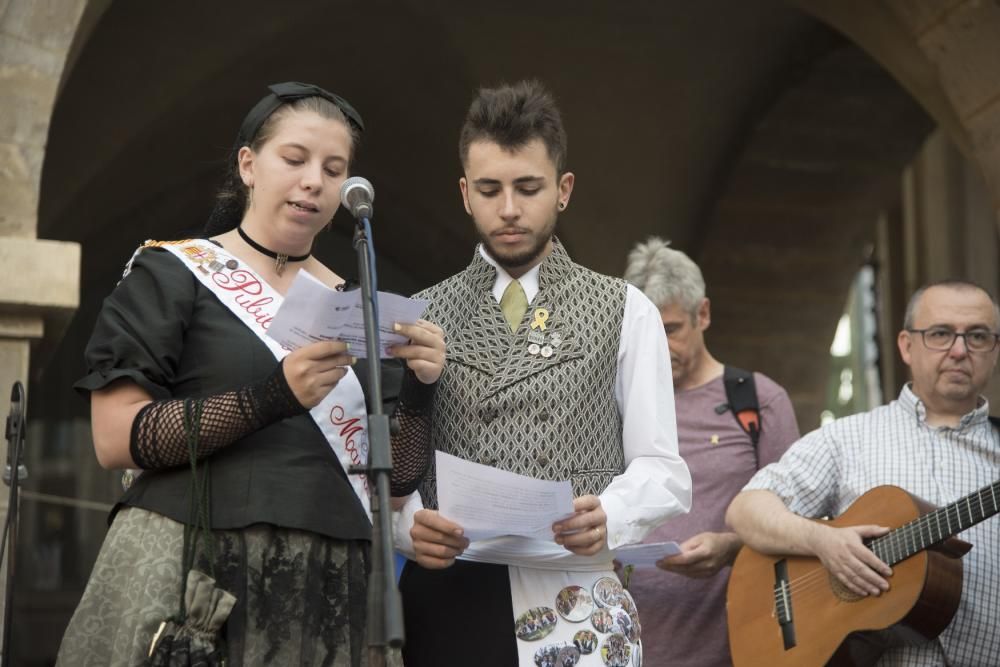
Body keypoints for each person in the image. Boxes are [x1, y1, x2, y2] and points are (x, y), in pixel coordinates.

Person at [57, 82, 445, 666]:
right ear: (248, 165)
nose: (314, 180)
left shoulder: (358, 309)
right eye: (294, 159)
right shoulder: (175, 274)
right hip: (191, 568)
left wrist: (419, 388)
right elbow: (116, 437)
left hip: (331, 583)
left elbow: (394, 487)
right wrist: (272, 395)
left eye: (333, 169)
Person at [392, 80, 692, 666]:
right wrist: (407, 527)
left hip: (574, 591)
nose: (508, 209)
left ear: (563, 189)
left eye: (528, 188)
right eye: (489, 189)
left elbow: (663, 468)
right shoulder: (420, 316)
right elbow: (383, 469)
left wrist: (613, 514)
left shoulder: (625, 309)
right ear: (464, 194)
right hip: (449, 593)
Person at [726, 280, 1000, 665]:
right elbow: (747, 509)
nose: (959, 350)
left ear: (994, 349)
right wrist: (823, 541)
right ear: (906, 345)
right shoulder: (847, 438)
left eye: (977, 336)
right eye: (940, 334)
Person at [621, 237, 800, 666]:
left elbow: (801, 526)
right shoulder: (613, 403)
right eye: (647, 333)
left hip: (734, 647)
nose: (659, 347)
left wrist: (732, 547)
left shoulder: (758, 402)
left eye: (671, 330)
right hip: (628, 646)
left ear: (703, 314)